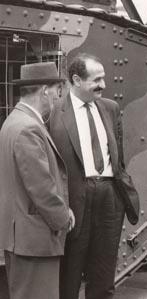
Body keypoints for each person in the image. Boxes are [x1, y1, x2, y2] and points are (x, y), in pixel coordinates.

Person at [50, 53, 134, 299]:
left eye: (104, 78)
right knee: (69, 277)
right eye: (97, 80)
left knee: (104, 277)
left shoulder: (110, 108)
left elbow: (118, 157)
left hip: (109, 198)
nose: (103, 85)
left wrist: (120, 195)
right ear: (76, 79)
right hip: (75, 202)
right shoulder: (54, 114)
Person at [0, 62, 74, 299]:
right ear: (45, 90)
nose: (56, 97)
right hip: (34, 240)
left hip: (21, 238)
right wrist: (62, 218)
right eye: (55, 90)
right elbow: (41, 188)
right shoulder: (29, 129)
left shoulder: (14, 122)